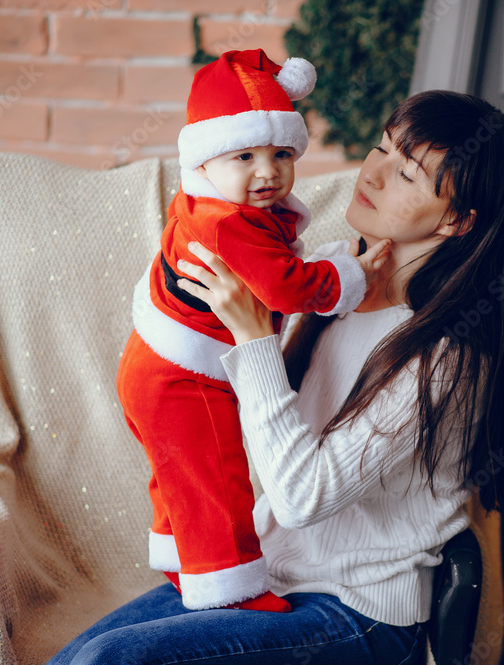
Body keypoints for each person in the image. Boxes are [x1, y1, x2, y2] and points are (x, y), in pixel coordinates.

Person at [50, 88, 504, 665]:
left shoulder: (445, 358)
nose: (373, 175)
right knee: (76, 654)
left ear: (457, 218)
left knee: (108, 662)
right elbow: (257, 431)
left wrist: (255, 339)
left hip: (359, 614)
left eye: (405, 173)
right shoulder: (333, 278)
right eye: (381, 149)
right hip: (271, 576)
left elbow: (302, 495)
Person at [117, 48, 387, 613]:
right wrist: (347, 277)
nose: (268, 172)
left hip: (152, 364)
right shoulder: (229, 223)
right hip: (184, 374)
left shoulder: (203, 200)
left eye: (282, 153)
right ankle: (231, 588)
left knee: (179, 477)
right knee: (215, 477)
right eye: (245, 155)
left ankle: (183, 563)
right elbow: (287, 287)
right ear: (207, 160)